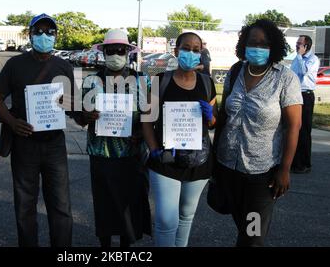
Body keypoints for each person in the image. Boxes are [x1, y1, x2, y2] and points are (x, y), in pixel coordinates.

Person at [214, 19, 302, 246]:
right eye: (253, 42)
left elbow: (294, 126)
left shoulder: (285, 78)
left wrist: (285, 169)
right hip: (228, 167)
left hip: (261, 176)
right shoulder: (235, 72)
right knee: (242, 227)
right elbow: (225, 115)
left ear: (274, 46)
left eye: (264, 43)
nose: (258, 47)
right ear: (244, 44)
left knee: (252, 236)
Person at [0, 13, 74, 247]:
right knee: (25, 205)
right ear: (29, 35)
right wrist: (11, 121)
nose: (44, 36)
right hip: (24, 143)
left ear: (55, 36)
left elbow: (71, 104)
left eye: (49, 32)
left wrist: (84, 114)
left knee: (61, 206)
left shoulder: (64, 66)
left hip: (54, 145)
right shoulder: (15, 64)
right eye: (38, 31)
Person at [75, 29, 151, 247]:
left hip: (131, 153)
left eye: (120, 50)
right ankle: (105, 247)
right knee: (104, 204)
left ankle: (126, 247)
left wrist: (139, 134)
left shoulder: (142, 81)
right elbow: (80, 119)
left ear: (128, 52)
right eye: (111, 50)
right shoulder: (91, 81)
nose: (116, 54)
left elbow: (149, 118)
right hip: (101, 154)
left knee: (130, 205)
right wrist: (86, 116)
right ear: (103, 53)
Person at [142, 32, 217, 247]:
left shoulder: (206, 82)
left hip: (198, 162)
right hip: (166, 161)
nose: (191, 53)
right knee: (166, 220)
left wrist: (210, 116)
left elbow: (214, 122)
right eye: (186, 48)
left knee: (186, 215)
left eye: (196, 49)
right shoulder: (160, 80)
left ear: (201, 52)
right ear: (176, 51)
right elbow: (147, 121)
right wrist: (155, 149)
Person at [290, 35, 320, 174]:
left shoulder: (313, 59)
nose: (297, 45)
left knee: (304, 131)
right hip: (294, 95)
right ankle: (294, 162)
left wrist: (301, 56)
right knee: (294, 128)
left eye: (299, 43)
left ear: (306, 46)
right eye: (297, 43)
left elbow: (303, 72)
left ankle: (304, 164)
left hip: (306, 95)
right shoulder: (296, 58)